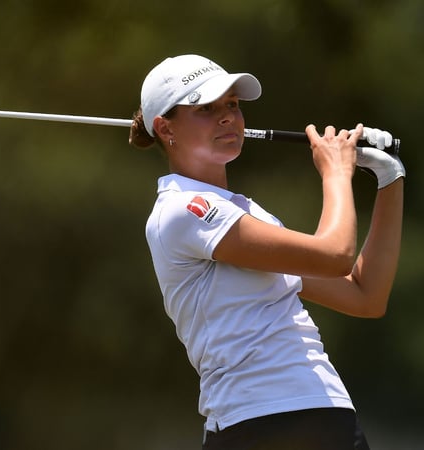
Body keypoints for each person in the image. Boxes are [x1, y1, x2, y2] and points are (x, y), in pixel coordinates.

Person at [129, 54, 405, 450]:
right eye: (206, 109)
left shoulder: (248, 213)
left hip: (325, 412)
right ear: (164, 128)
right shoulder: (181, 209)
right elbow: (335, 254)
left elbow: (365, 294)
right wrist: (336, 173)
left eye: (233, 106)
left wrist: (388, 178)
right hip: (258, 421)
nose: (227, 118)